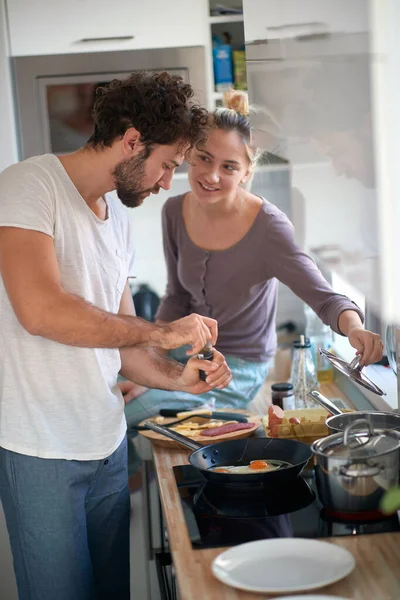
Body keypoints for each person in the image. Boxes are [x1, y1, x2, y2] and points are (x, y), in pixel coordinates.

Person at [0, 71, 232, 600]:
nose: (167, 181)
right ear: (131, 141)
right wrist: (163, 329)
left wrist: (180, 376)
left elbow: (125, 346)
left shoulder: (118, 218)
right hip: (40, 451)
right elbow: (41, 311)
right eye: (167, 164)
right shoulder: (28, 186)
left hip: (106, 445)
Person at [123, 89, 384, 431]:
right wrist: (153, 365)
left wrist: (356, 328)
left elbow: (324, 297)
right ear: (190, 155)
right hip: (186, 355)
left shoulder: (269, 228)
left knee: (124, 413)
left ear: (246, 172)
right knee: (113, 392)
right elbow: (176, 298)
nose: (211, 175)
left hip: (237, 371)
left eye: (229, 166)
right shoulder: (174, 211)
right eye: (204, 158)